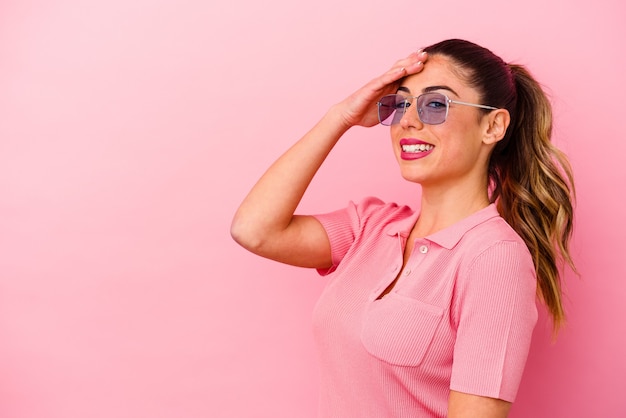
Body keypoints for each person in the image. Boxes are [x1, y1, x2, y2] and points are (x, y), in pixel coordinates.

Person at [230, 39, 576, 418]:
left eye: (435, 104)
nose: (407, 121)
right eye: (399, 104)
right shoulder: (373, 226)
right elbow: (254, 229)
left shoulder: (495, 258)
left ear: (492, 126)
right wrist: (340, 117)